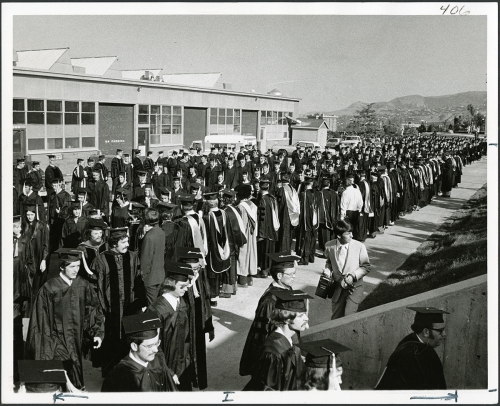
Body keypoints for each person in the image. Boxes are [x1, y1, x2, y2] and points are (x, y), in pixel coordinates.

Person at [25, 248, 104, 390]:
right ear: (62, 267)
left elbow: (92, 309)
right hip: (56, 340)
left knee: (75, 368)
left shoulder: (82, 285)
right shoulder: (49, 288)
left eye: (78, 266)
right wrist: (48, 346)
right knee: (61, 376)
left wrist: (96, 332)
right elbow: (41, 321)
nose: (76, 270)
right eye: (72, 266)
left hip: (76, 338)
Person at [92, 227, 144, 377]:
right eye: (124, 242)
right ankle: (110, 375)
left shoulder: (133, 257)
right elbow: (94, 287)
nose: (127, 244)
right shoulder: (101, 259)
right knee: (111, 341)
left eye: (127, 241)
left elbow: (139, 280)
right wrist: (100, 308)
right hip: (109, 310)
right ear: (114, 243)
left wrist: (140, 302)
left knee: (130, 340)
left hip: (130, 307)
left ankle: (130, 373)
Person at [239, 253, 300, 377]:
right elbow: (261, 335)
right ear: (279, 275)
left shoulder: (287, 289)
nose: (294, 277)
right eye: (291, 274)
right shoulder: (269, 301)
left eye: (294, 273)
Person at [243, 289, 312, 391]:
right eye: (301, 315)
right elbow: (268, 391)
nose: (307, 318)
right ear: (287, 319)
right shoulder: (272, 352)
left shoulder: (291, 340)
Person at [148, 262, 197, 391]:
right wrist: (167, 370)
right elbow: (153, 345)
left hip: (183, 363)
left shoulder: (182, 302)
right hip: (166, 365)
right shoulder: (156, 310)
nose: (186, 289)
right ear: (171, 284)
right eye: (182, 286)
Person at [101, 311, 179, 392]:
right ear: (134, 346)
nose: (156, 350)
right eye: (149, 346)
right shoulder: (118, 377)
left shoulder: (158, 361)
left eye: (156, 344)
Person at [376, 307, 449, 390]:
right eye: (440, 330)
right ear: (426, 332)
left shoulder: (408, 341)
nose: (444, 334)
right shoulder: (423, 352)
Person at [174, 247, 215, 391]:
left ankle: (198, 380)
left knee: (198, 351)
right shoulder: (178, 281)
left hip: (198, 317)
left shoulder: (200, 274)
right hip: (184, 324)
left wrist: (209, 326)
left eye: (198, 267)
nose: (197, 271)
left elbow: (206, 299)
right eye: (194, 268)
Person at [323, 219, 371, 320]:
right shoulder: (329, 246)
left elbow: (366, 267)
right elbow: (329, 262)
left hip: (354, 288)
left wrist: (353, 276)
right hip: (338, 288)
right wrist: (327, 270)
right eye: (348, 234)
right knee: (336, 318)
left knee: (349, 317)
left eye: (351, 233)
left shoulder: (359, 246)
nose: (352, 236)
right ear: (339, 236)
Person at [140, 208, 166, 305]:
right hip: (160, 275)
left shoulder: (149, 237)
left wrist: (143, 275)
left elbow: (145, 259)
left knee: (152, 306)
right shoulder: (161, 232)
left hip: (151, 278)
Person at [235, 184, 258, 287]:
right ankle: (250, 279)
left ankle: (243, 281)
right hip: (252, 234)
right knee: (251, 255)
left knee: (243, 255)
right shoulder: (253, 205)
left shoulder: (241, 207)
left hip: (244, 234)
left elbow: (242, 224)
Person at [339, 172, 363, 240]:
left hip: (348, 212)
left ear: (344, 185)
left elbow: (343, 204)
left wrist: (342, 216)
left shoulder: (345, 192)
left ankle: (348, 240)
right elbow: (361, 202)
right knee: (355, 227)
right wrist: (359, 209)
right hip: (356, 211)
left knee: (348, 228)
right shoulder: (357, 191)